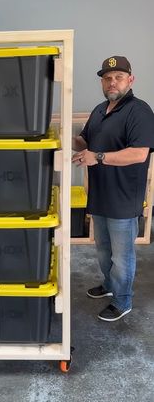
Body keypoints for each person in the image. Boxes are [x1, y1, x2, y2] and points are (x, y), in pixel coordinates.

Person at [72, 55, 154, 322]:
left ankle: (122, 301)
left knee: (122, 254)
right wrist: (67, 140)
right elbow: (84, 141)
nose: (112, 82)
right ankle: (109, 286)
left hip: (123, 198)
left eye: (118, 77)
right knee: (103, 249)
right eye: (107, 78)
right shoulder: (99, 110)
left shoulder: (139, 111)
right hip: (100, 195)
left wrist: (96, 157)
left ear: (130, 79)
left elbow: (139, 154)